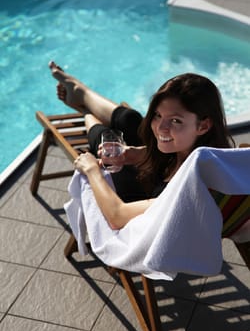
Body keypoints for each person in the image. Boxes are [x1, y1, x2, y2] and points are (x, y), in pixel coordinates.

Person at [49, 61, 235, 230]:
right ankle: (80, 91)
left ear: (203, 125)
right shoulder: (211, 155)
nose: (161, 127)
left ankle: (84, 109)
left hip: (135, 212)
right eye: (157, 115)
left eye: (176, 121)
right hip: (155, 179)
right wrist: (134, 154)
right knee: (131, 120)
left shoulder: (184, 189)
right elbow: (167, 156)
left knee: (107, 140)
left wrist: (91, 169)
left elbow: (117, 216)